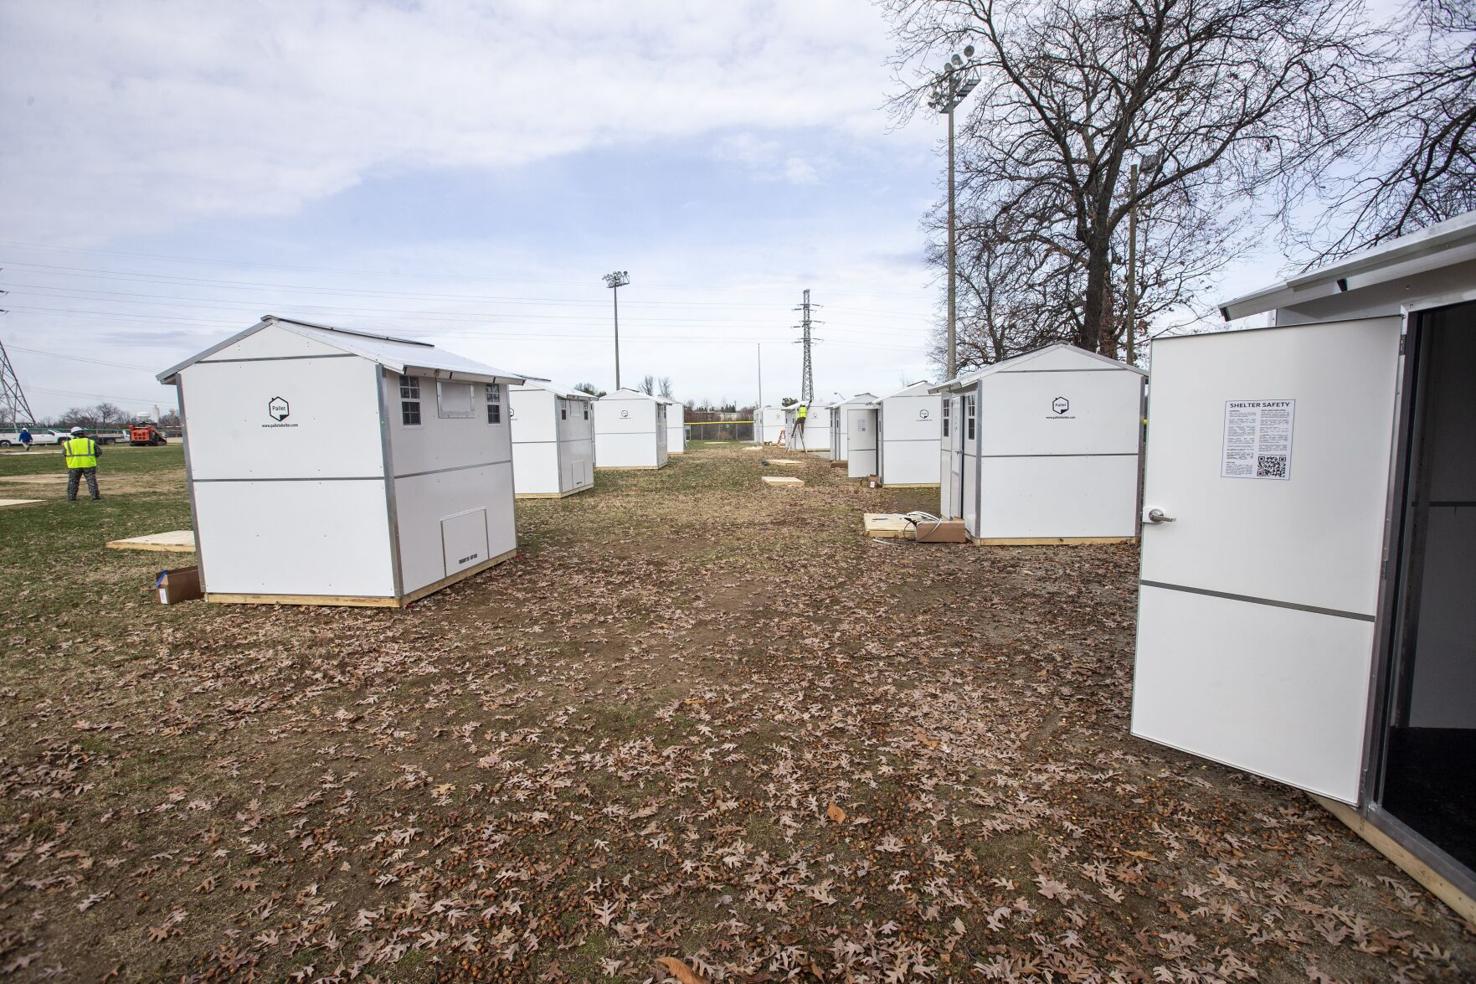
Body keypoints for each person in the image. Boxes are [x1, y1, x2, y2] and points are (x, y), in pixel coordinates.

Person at [62, 426, 101, 501]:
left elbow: (64, 453)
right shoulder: (90, 442)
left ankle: (71, 497)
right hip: (89, 464)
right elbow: (99, 452)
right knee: (91, 481)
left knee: (73, 482)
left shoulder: (68, 443)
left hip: (74, 465)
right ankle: (95, 497)